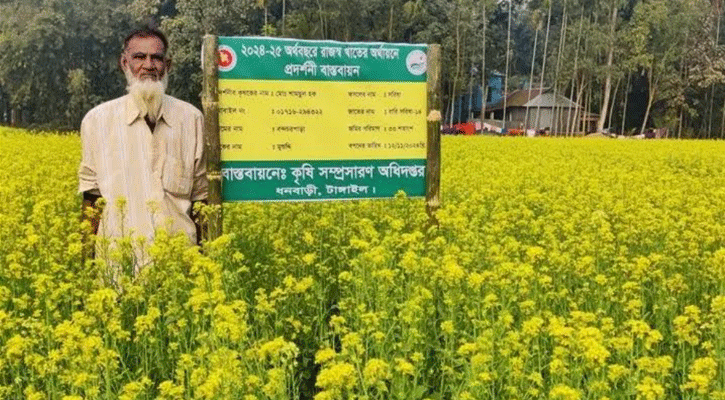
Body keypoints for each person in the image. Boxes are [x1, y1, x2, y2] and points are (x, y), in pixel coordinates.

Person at [78, 27, 208, 271]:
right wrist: (86, 267)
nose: (149, 65)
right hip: (118, 267)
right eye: (139, 57)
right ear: (124, 63)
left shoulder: (191, 119)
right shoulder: (97, 121)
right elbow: (91, 199)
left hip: (180, 267)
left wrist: (207, 263)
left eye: (156, 58)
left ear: (167, 65)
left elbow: (202, 200)